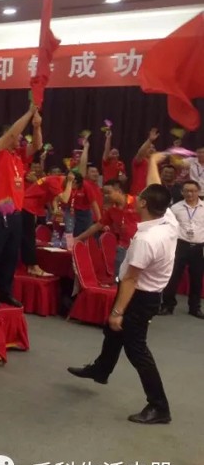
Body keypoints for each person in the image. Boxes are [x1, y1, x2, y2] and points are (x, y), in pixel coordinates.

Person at [67, 153, 176, 425]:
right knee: (112, 332)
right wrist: (154, 161)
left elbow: (131, 280)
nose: (136, 197)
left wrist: (117, 311)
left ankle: (159, 406)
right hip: (145, 293)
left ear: (144, 203)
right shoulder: (168, 219)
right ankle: (101, 370)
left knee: (136, 349)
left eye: (141, 196)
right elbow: (154, 185)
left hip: (140, 296)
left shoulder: (146, 239)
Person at [0, 105, 41, 308]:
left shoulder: (18, 156)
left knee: (11, 255)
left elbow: (37, 145)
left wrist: (37, 126)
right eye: (17, 136)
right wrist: (29, 112)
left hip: (15, 213)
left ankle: (5, 292)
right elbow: (13, 133)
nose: (20, 139)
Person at [74, 179, 139, 277]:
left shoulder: (137, 202)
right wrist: (78, 238)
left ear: (119, 191)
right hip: (123, 247)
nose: (105, 196)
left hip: (140, 245)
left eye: (108, 193)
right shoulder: (111, 211)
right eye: (104, 193)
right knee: (119, 276)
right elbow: (97, 226)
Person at [160, 180, 204, 318]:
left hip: (198, 247)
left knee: (197, 278)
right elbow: (168, 227)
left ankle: (195, 308)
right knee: (173, 276)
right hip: (180, 245)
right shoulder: (175, 208)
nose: (190, 194)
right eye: (187, 191)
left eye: (193, 191)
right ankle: (168, 305)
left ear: (198, 192)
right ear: (182, 192)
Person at [21, 171, 74, 275]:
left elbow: (55, 199)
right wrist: (70, 182)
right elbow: (64, 199)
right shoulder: (55, 181)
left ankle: (30, 266)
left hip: (31, 207)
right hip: (26, 206)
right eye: (72, 187)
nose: (70, 189)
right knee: (29, 238)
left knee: (29, 237)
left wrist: (55, 210)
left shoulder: (56, 182)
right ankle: (33, 267)